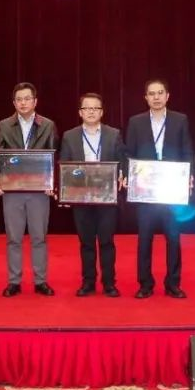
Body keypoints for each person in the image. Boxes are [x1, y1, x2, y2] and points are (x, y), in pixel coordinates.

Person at [124, 79, 194, 299]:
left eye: (160, 93)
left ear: (167, 96)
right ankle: (145, 284)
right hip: (145, 189)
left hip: (171, 189)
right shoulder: (136, 122)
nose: (156, 97)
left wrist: (189, 176)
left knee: (173, 237)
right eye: (151, 94)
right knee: (145, 238)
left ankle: (173, 283)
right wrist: (129, 176)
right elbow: (129, 153)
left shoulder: (180, 120)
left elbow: (187, 151)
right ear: (146, 98)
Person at [0, 82, 59, 297]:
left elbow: (54, 156)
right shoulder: (4, 125)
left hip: (39, 191)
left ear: (35, 101)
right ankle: (14, 281)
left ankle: (41, 281)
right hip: (12, 191)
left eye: (27, 99)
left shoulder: (48, 125)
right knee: (14, 238)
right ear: (14, 103)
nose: (23, 103)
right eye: (19, 99)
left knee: (39, 237)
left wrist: (52, 183)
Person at [59, 92, 125, 297]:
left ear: (102, 112)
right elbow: (64, 165)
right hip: (81, 197)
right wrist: (64, 190)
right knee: (86, 242)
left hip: (107, 196)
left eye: (95, 108)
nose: (91, 112)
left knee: (106, 241)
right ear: (80, 112)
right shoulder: (69, 136)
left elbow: (123, 161)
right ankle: (88, 282)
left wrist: (122, 175)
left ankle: (109, 283)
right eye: (87, 108)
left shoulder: (113, 134)